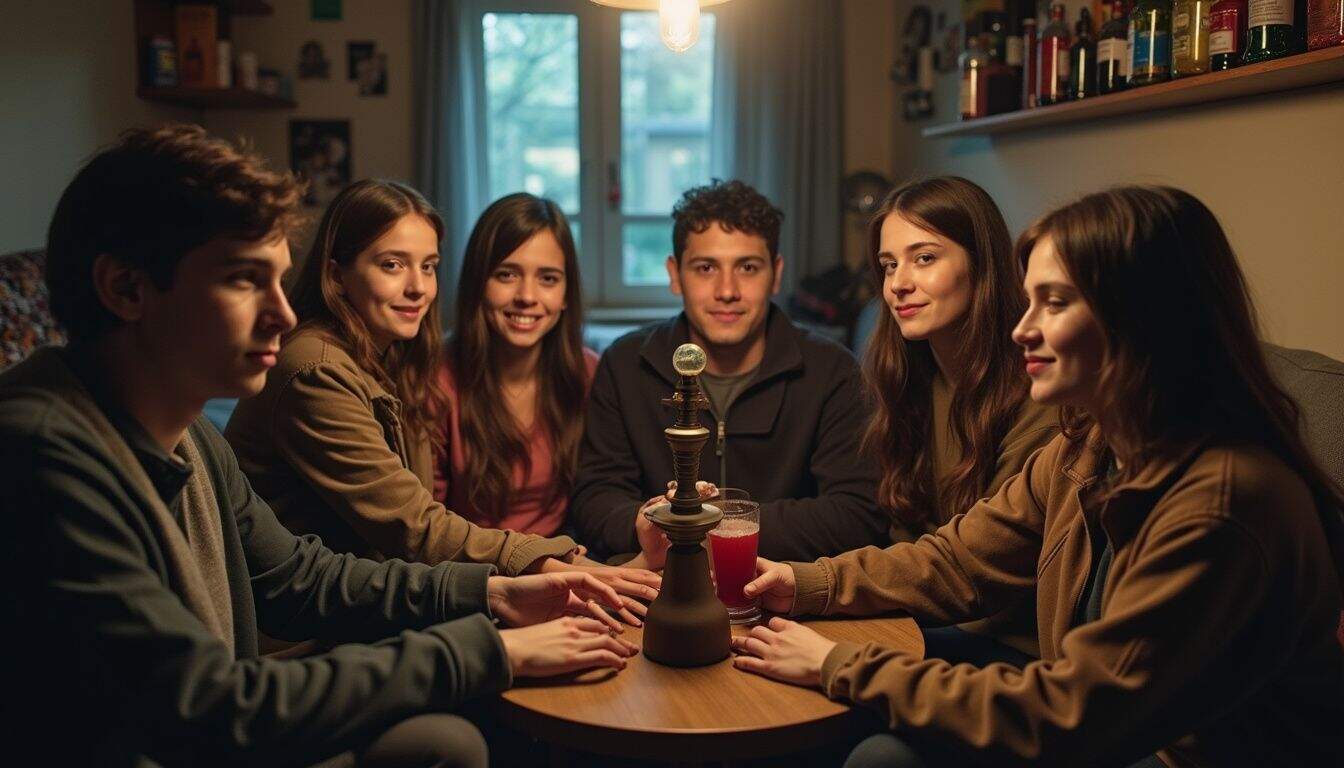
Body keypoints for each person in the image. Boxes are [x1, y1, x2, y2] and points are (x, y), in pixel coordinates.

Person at [1, 124, 637, 767]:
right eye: (245, 280)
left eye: (280, 281)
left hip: (241, 705)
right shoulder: (45, 453)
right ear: (127, 289)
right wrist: (490, 649)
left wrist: (491, 594)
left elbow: (298, 576)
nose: (282, 314)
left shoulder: (190, 432)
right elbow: (206, 707)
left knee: (448, 745)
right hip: (203, 733)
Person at [731, 186, 1344, 767]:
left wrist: (842, 664)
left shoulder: (1222, 502)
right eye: (1029, 301)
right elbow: (961, 559)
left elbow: (1072, 715)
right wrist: (804, 583)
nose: (1022, 328)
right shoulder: (1091, 443)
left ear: (1144, 315)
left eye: (1054, 302)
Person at [225, 180, 658, 625]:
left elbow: (602, 486)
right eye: (392, 265)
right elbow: (417, 527)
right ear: (336, 274)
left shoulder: (391, 356)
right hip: (321, 615)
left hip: (424, 582)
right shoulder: (320, 369)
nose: (417, 287)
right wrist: (561, 569)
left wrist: (612, 551)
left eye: (428, 266)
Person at [571, 179, 885, 567]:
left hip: (786, 596)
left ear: (776, 273)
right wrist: (646, 525)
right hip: (657, 582)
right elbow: (594, 498)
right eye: (705, 268)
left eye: (748, 267)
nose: (727, 290)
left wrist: (709, 523)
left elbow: (858, 513)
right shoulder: (624, 363)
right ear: (674, 274)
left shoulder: (832, 370)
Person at [863, 177, 1058, 665]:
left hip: (1012, 645)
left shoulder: (1038, 389)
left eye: (924, 258)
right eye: (889, 265)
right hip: (926, 620)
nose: (898, 283)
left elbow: (980, 570)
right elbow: (905, 533)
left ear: (980, 263)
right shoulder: (911, 376)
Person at [431, 193, 604, 544]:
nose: (527, 295)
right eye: (507, 274)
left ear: (567, 293)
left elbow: (599, 492)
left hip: (569, 563)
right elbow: (427, 526)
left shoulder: (589, 373)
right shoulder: (436, 380)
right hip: (473, 574)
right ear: (479, 283)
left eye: (548, 278)